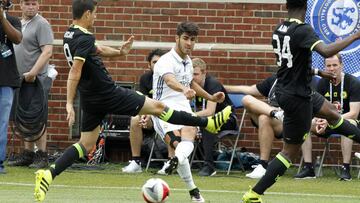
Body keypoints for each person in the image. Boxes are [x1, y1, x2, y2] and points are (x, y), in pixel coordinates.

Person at [33, 1, 231, 202]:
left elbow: (98, 49)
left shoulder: (70, 34)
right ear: (86, 13)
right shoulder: (84, 36)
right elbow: (75, 71)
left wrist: (120, 52)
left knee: (85, 144)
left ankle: (49, 174)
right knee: (158, 107)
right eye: (94, 14)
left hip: (90, 97)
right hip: (107, 92)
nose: (95, 18)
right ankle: (207, 123)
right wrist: (68, 103)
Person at [242, 0, 360, 202]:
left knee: (332, 113)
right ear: (306, 6)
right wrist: (356, 35)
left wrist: (317, 71)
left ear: (287, 5)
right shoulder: (303, 29)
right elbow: (326, 51)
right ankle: (254, 194)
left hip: (297, 90)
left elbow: (292, 64)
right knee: (289, 152)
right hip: (297, 97)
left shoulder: (279, 29)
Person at [151, 21, 232, 202]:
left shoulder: (188, 61)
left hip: (184, 108)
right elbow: (171, 81)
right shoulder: (165, 61)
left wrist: (210, 98)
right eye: (186, 39)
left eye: (193, 39)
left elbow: (191, 83)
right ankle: (192, 189)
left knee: (187, 140)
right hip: (163, 109)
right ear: (177, 38)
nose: (189, 43)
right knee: (179, 146)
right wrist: (183, 89)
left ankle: (190, 186)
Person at [295, 54, 360, 181]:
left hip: (348, 121)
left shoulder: (353, 82)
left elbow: (354, 113)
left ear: (342, 65)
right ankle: (309, 168)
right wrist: (316, 119)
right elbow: (315, 108)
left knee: (348, 124)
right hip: (327, 123)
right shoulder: (322, 83)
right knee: (304, 123)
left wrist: (330, 119)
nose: (331, 69)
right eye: (328, 66)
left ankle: (346, 169)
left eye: (335, 65)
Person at [8, 0, 54, 169]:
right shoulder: (20, 24)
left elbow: (47, 51)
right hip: (20, 79)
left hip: (35, 80)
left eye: (34, 4)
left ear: (39, 6)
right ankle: (28, 154)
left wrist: (34, 72)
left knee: (37, 117)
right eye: (27, 4)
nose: (31, 7)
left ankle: (42, 155)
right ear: (21, 5)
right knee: (24, 118)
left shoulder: (41, 24)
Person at [121, 48, 175, 173]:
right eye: (155, 62)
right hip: (151, 116)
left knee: (168, 120)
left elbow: (170, 104)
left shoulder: (171, 79)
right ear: (149, 65)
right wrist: (146, 115)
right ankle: (136, 162)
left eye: (161, 62)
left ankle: (170, 162)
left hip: (168, 116)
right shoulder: (146, 78)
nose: (158, 65)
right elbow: (143, 101)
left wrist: (152, 114)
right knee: (135, 119)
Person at [192, 58, 238, 177]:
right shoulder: (190, 85)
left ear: (204, 73)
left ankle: (209, 166)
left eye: (196, 74)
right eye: (190, 74)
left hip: (228, 119)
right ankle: (180, 162)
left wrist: (189, 116)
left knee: (208, 124)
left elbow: (210, 111)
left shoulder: (212, 84)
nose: (192, 77)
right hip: (205, 119)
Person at [0, 0, 22, 174]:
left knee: (2, 123)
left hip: (6, 79)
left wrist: (2, 18)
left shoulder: (13, 20)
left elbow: (17, 38)